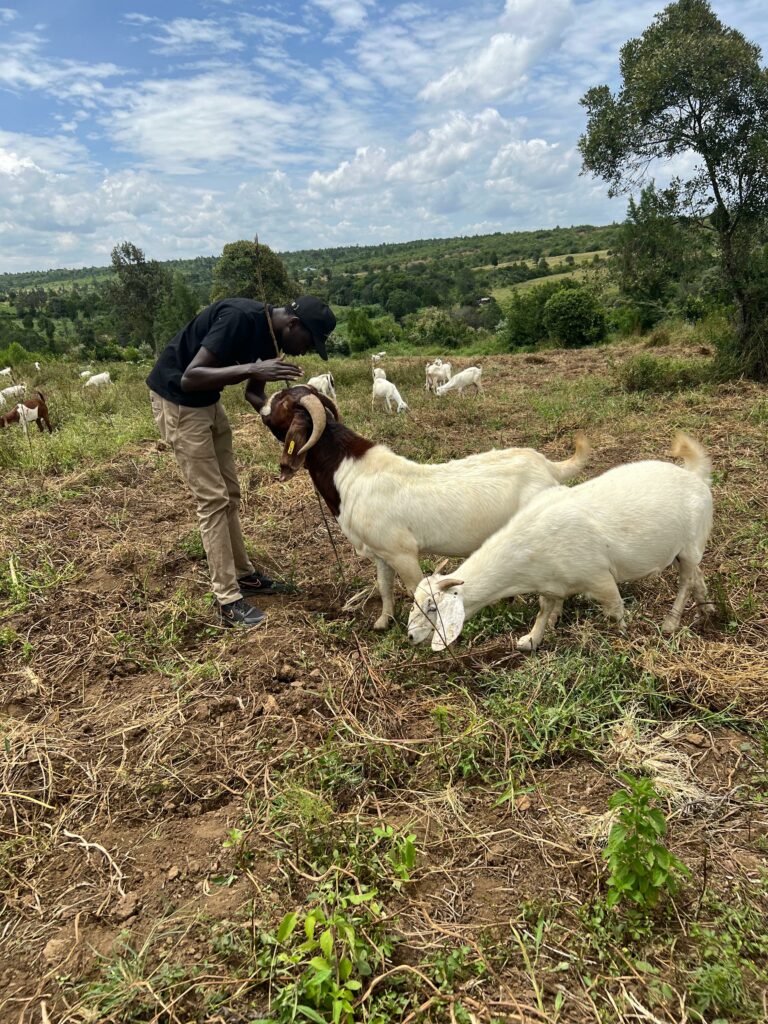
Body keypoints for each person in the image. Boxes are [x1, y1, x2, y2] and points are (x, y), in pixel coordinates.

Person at [147, 296, 336, 627]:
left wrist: (284, 420)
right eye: (309, 341)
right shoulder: (239, 318)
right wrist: (254, 367)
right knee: (213, 500)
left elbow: (254, 394)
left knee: (231, 493)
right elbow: (190, 377)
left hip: (207, 401)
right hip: (178, 402)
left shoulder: (272, 339)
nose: (305, 351)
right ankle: (228, 599)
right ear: (293, 324)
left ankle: (244, 575)